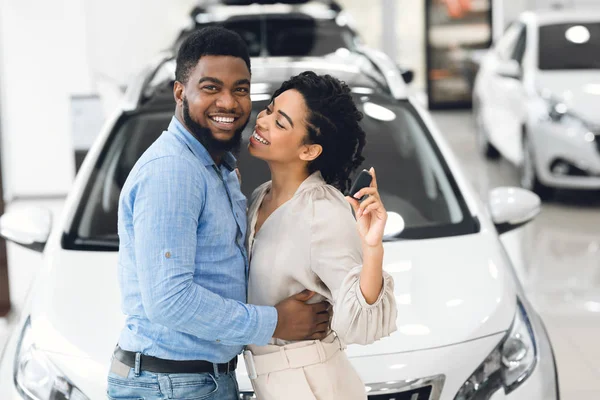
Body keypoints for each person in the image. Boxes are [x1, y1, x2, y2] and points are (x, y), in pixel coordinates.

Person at [107, 27, 331, 400]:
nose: (228, 102)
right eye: (211, 87)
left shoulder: (214, 167)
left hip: (191, 381)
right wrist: (275, 322)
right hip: (172, 386)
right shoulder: (173, 171)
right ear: (180, 92)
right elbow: (169, 301)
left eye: (240, 89)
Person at [244, 72, 398, 399]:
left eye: (281, 122)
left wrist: (372, 250)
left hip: (312, 384)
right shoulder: (260, 197)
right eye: (269, 109)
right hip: (274, 384)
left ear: (309, 150)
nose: (263, 120)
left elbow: (360, 313)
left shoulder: (323, 211)